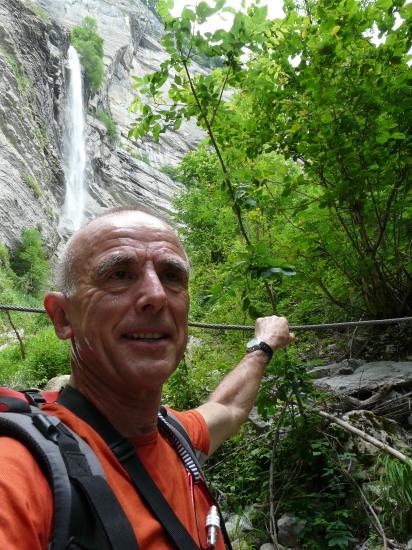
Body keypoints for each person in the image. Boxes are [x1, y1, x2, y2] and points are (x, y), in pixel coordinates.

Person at [0, 208, 294, 549]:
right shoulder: (19, 469)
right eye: (120, 274)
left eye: (171, 276)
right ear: (63, 317)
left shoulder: (174, 436)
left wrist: (263, 344)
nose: (156, 295)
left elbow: (226, 408)